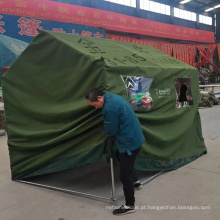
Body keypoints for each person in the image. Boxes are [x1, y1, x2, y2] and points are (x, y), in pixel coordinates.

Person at [85, 88, 145, 216]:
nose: (96, 108)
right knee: (122, 158)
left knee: (124, 175)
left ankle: (130, 205)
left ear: (100, 98)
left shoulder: (109, 108)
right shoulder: (115, 97)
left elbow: (111, 131)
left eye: (95, 105)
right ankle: (136, 182)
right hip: (136, 137)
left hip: (129, 143)